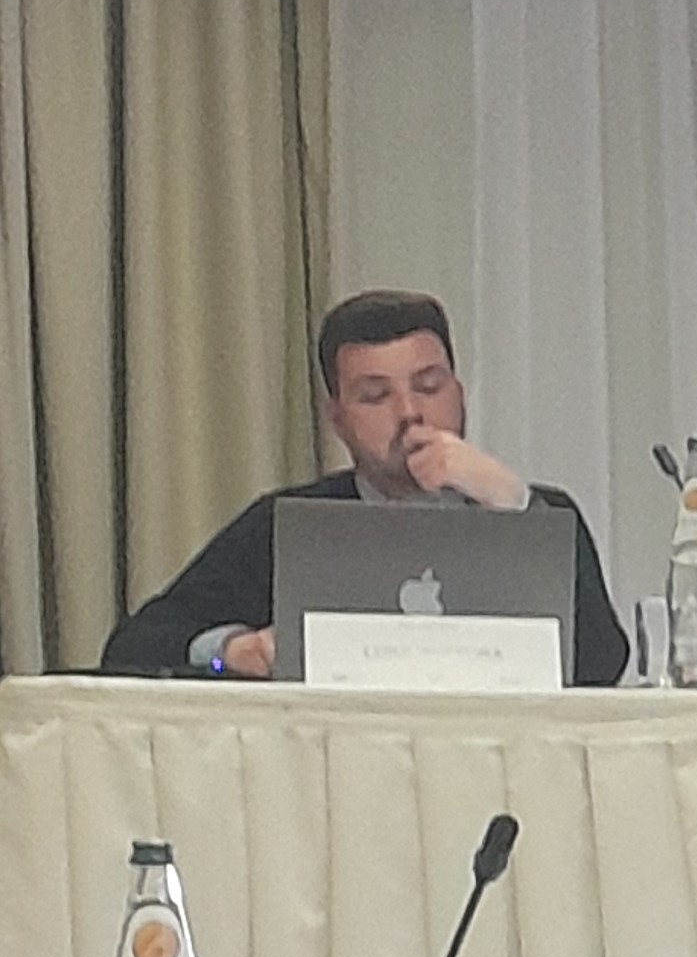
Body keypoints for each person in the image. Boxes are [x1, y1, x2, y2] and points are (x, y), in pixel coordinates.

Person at [100, 289, 631, 685]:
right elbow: (136, 647)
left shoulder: (531, 511)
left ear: (460, 394)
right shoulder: (290, 523)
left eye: (429, 386)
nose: (410, 412)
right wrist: (231, 651)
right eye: (376, 396)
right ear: (338, 419)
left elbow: (602, 664)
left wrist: (515, 505)